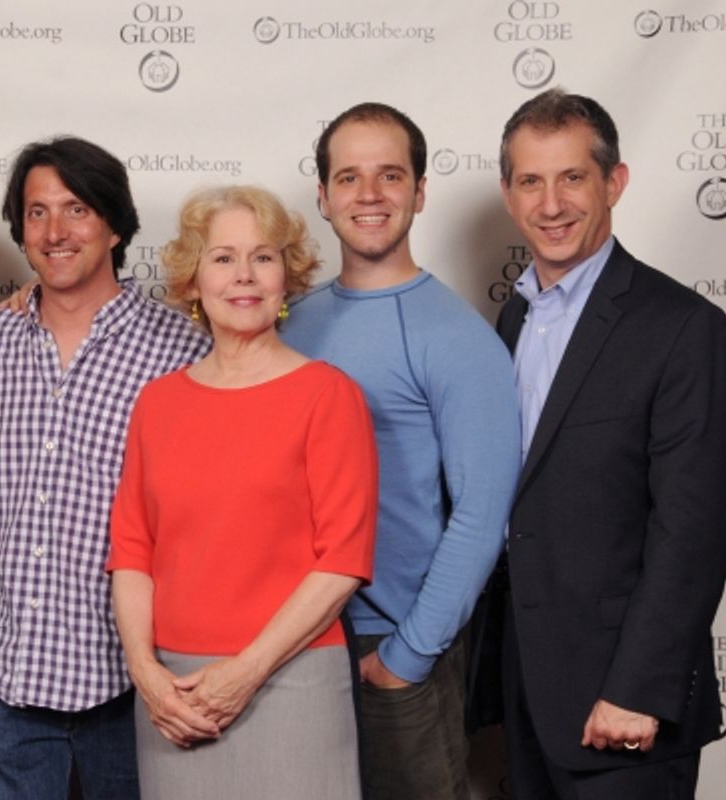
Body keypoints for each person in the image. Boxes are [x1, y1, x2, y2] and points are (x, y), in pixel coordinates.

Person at [495, 88, 726, 799]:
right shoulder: (512, 320)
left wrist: (637, 690)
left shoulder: (683, 327)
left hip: (624, 709)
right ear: (508, 195)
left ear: (614, 182)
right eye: (531, 181)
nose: (551, 204)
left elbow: (694, 529)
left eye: (572, 177)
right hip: (527, 698)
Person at [282, 102, 521, 800]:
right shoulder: (288, 322)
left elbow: (481, 516)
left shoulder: (456, 337)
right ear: (323, 196)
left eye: (390, 175)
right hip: (288, 643)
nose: (369, 194)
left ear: (419, 192)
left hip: (390, 646)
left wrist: (409, 655)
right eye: (349, 177)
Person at [108, 185, 379, 800]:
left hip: (293, 678)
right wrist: (144, 671)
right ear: (194, 279)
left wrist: (245, 673)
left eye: (263, 257)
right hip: (172, 695)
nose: (244, 276)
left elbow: (342, 561)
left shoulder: (328, 396)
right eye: (224, 258)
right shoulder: (157, 403)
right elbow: (132, 552)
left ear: (286, 275)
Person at [0, 136, 210, 799]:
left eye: (76, 210)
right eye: (37, 212)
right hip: (9, 675)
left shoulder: (181, 349)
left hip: (132, 681)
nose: (55, 232)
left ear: (115, 226)